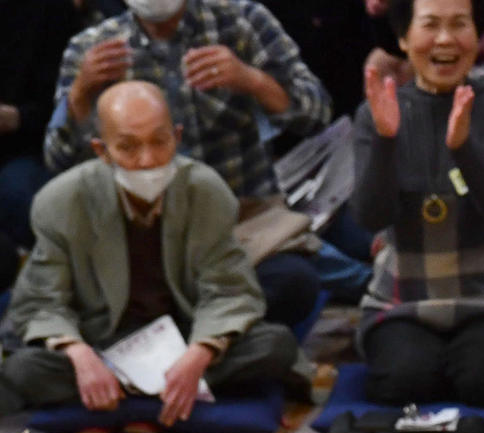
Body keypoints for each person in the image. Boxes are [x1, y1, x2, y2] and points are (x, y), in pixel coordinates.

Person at [0, 82, 298, 426]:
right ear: (102, 150)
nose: (147, 160)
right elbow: (41, 301)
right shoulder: (62, 201)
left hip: (182, 336)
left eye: (159, 142)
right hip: (102, 341)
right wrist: (80, 356)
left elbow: (228, 289)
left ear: (178, 136)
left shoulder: (205, 190)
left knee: (276, 345)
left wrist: (199, 355)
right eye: (128, 147)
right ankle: (146, 392)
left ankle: (133, 396)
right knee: (25, 369)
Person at [44, 0, 332, 330]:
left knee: (294, 282)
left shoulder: (241, 21)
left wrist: (252, 80)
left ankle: (188, 341)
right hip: (140, 239)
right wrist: (80, 95)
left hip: (242, 226)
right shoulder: (93, 47)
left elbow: (317, 113)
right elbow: (57, 162)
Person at [353, 0, 484, 408]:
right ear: (404, 38)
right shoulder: (378, 113)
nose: (445, 39)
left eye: (460, 24)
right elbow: (370, 217)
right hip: (404, 299)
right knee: (404, 382)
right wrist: (386, 141)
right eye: (430, 25)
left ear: (477, 37)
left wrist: (462, 147)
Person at [0, 1, 80, 250]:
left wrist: (17, 118)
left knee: (22, 196)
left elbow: (64, 111)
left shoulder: (51, 12)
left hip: (24, 147)